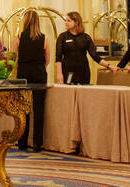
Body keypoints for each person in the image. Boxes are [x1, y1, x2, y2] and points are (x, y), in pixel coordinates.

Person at [15, 9, 48, 152]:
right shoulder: (44, 38)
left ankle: (22, 142)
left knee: (23, 109)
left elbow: (15, 58)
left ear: (25, 21)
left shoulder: (19, 37)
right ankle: (37, 143)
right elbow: (47, 60)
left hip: (23, 74)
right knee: (39, 110)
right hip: (39, 73)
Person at [55, 11, 109, 84]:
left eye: (69, 21)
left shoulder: (86, 37)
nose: (66, 23)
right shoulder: (62, 37)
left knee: (83, 94)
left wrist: (109, 66)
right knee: (69, 93)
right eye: (66, 21)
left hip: (83, 73)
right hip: (68, 72)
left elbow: (95, 56)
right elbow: (58, 57)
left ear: (76, 22)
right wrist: (59, 74)